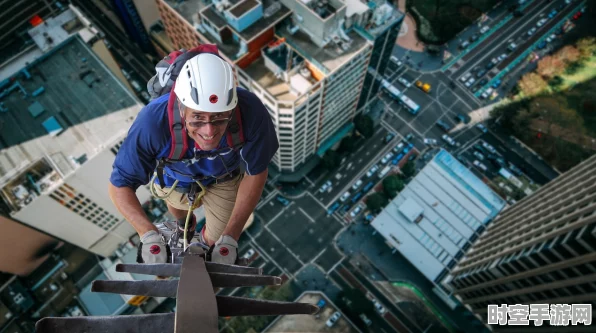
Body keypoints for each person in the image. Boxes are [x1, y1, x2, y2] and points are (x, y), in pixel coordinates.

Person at [108, 49, 278, 265]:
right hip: (176, 178)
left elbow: (256, 172)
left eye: (219, 118)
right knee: (176, 204)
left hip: (223, 177)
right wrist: (148, 234)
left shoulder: (251, 111)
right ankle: (183, 225)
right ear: (181, 108)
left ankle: (203, 246)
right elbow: (120, 185)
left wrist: (230, 237)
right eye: (197, 118)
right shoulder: (153, 122)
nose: (209, 132)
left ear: (232, 107)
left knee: (219, 238)